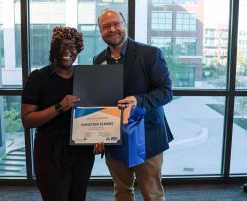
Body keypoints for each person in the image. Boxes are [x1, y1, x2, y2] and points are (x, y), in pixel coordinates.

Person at [93, 8, 174, 201]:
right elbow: (100, 100)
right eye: (106, 26)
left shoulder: (150, 54)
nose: (112, 29)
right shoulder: (99, 60)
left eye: (116, 24)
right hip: (114, 139)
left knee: (152, 193)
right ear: (100, 31)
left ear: (124, 25)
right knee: (121, 191)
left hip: (147, 137)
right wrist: (98, 133)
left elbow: (166, 92)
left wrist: (138, 100)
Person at [21, 26, 95, 201]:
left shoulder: (84, 77)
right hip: (50, 148)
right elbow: (27, 120)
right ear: (54, 49)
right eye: (62, 47)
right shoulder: (38, 78)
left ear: (78, 51)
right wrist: (59, 107)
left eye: (73, 48)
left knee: (78, 196)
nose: (67, 52)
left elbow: (95, 113)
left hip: (81, 147)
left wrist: (101, 136)